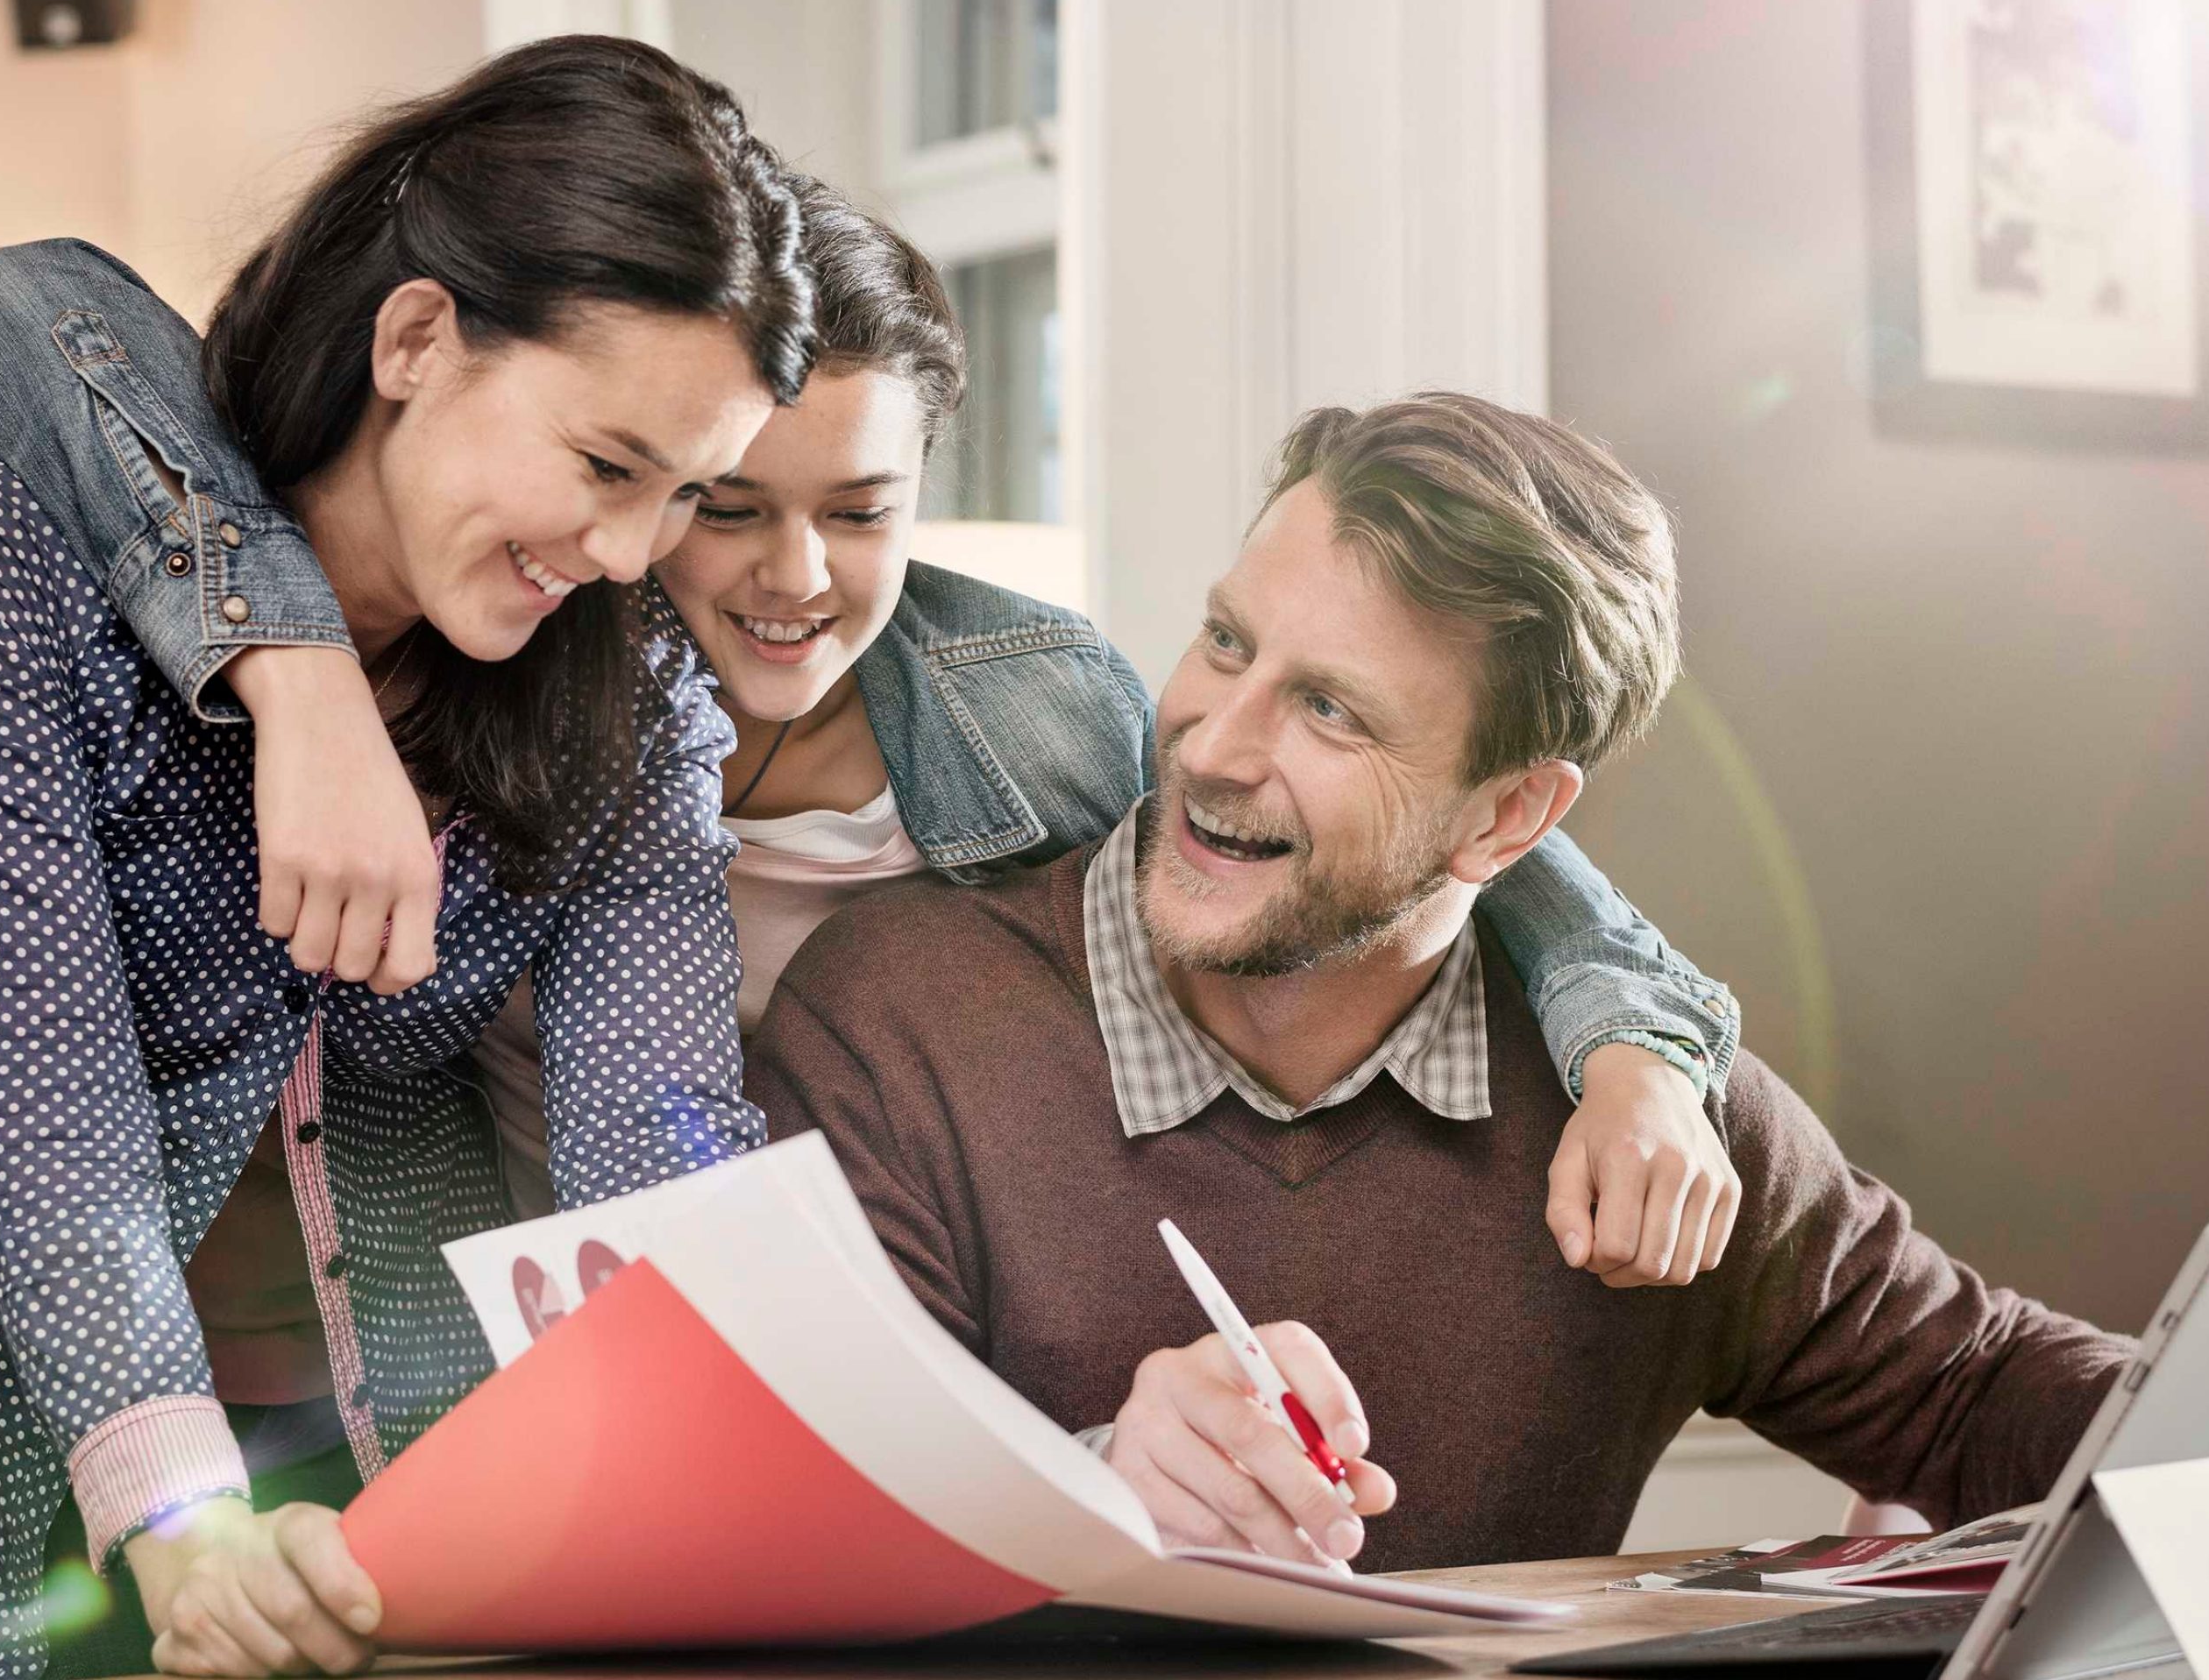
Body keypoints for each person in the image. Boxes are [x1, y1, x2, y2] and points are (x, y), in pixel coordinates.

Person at [0, 175, 1751, 1285]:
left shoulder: (1034, 703)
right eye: (727, 506)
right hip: (491, 1336)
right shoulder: (485, 649)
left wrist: (1640, 1053)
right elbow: (51, 311)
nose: (798, 582)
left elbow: (1408, 827)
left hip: (934, 1347)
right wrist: (301, 685)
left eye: (869, 509)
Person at [0, 38, 816, 1680]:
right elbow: (34, 1107)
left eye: (686, 493)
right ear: (417, 338)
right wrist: (185, 1529)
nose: (630, 555)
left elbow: (659, 1133)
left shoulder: (633, 695)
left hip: (402, 1412)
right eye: (605, 465)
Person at [749, 393, 2136, 1577]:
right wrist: (1099, 1483)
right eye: (1228, 644)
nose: (1213, 742)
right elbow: (798, 1547)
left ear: (1507, 819)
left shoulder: (1639, 1121)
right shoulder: (896, 1030)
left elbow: (1977, 1397)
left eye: (1332, 710)